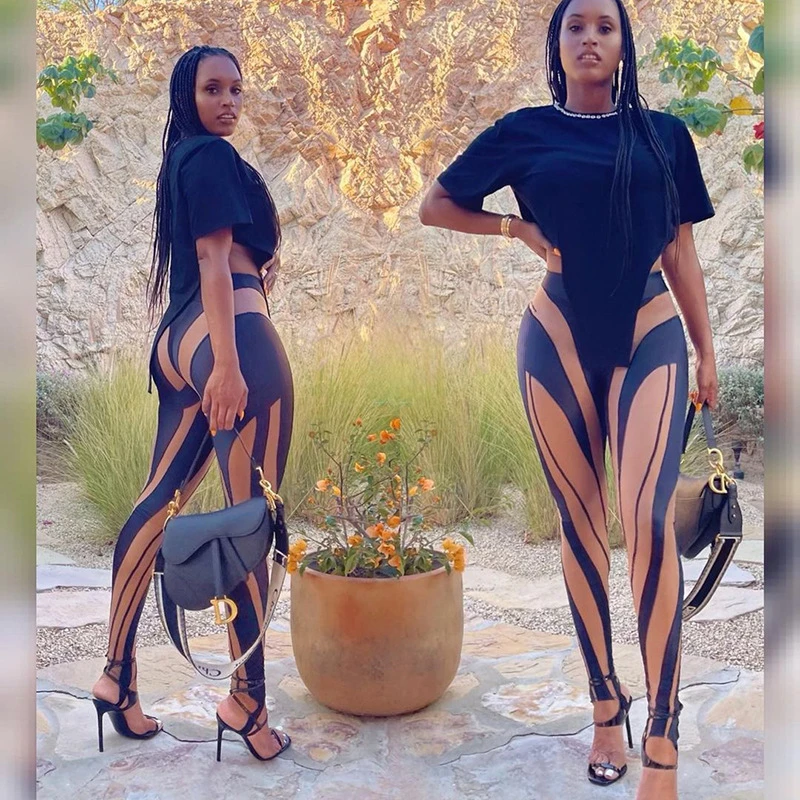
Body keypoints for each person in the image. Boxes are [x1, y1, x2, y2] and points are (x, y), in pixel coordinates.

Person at [419, 0, 718, 796]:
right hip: (555, 334)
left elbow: (681, 251)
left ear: (624, 44)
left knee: (647, 523)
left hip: (649, 325)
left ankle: (663, 730)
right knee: (580, 528)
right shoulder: (524, 131)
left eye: (604, 26)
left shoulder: (665, 135)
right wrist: (513, 230)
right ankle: (605, 707)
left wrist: (707, 350)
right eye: (575, 26)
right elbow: (435, 205)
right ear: (557, 42)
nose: (590, 38)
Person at [91, 45, 294, 762]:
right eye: (213, 89)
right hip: (227, 334)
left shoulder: (184, 160)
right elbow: (213, 257)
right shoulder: (209, 155)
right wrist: (231, 366)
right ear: (187, 95)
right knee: (252, 517)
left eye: (237, 89)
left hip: (178, 340)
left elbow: (218, 254)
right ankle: (247, 702)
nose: (228, 101)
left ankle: (116, 676)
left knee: (156, 502)